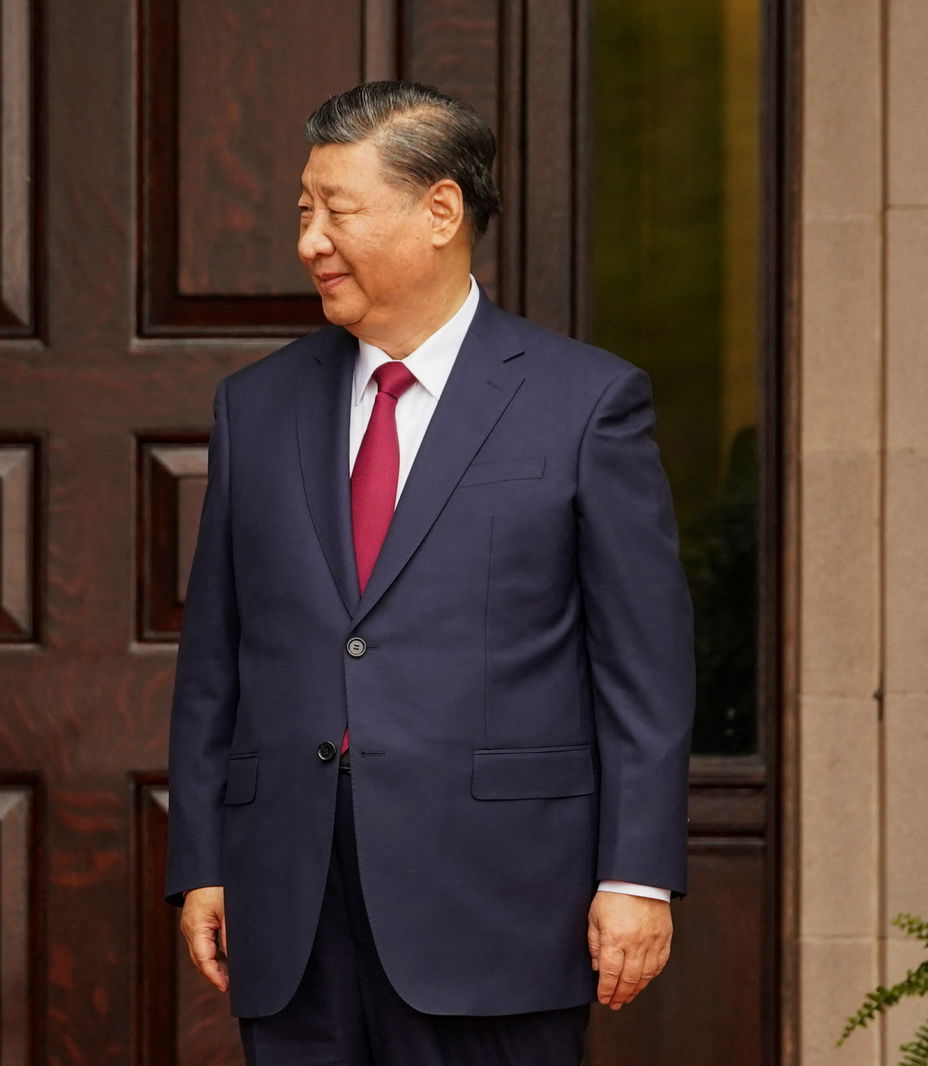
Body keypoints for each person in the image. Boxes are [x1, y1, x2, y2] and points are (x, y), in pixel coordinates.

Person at [165, 80, 694, 1065]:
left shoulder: (584, 403)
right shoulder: (256, 405)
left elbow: (643, 669)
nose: (309, 240)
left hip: (499, 905)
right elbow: (217, 660)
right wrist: (201, 858)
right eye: (302, 210)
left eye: (336, 209)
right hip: (290, 906)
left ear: (439, 212)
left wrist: (638, 872)